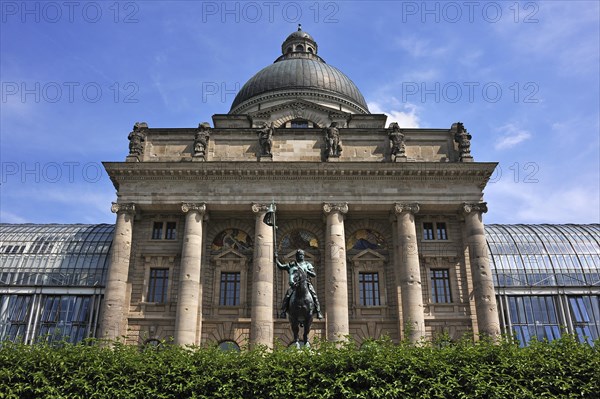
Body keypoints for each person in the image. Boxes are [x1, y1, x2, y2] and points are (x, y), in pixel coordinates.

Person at [276, 249, 323, 319]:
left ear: (303, 256)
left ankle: (318, 311)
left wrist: (307, 271)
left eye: (302, 255)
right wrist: (275, 259)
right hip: (295, 284)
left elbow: (314, 274)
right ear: (296, 256)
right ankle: (283, 311)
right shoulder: (292, 265)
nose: (300, 256)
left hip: (307, 283)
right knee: (288, 295)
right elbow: (281, 266)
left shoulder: (307, 264)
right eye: (299, 255)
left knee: (314, 296)